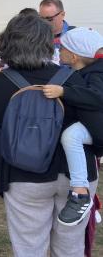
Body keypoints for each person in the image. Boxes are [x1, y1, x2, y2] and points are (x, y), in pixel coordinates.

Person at [0, 14, 101, 257]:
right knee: (70, 248)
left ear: (7, 42)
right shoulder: (73, 78)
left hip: (24, 174)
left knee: (29, 247)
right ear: (48, 44)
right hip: (75, 177)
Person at [42, 27, 103, 226]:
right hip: (94, 125)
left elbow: (97, 97)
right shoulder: (87, 70)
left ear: (74, 56)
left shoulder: (97, 73)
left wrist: (64, 91)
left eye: (63, 48)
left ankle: (81, 194)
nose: (59, 51)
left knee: (71, 136)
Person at [38, 0, 74, 65]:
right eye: (41, 18)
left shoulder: (76, 36)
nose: (45, 22)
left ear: (62, 14)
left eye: (49, 19)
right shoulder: (35, 36)